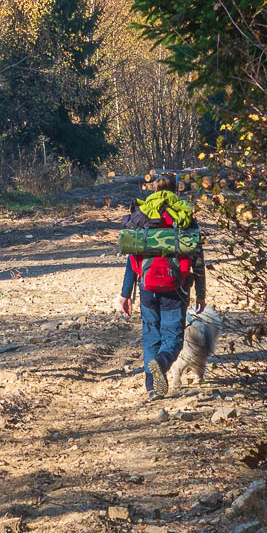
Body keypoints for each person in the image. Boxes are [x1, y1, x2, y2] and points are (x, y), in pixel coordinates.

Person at [119, 170, 207, 398]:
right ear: (176, 190)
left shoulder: (142, 214)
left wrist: (126, 292)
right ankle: (162, 362)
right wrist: (201, 293)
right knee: (173, 338)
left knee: (151, 335)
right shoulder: (183, 214)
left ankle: (152, 387)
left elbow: (132, 256)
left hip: (146, 285)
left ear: (154, 189)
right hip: (176, 287)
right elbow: (197, 257)